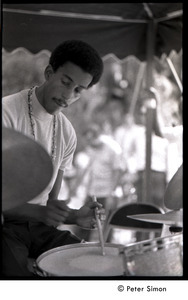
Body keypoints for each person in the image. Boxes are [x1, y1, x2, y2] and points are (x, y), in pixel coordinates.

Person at [2, 40, 105, 277]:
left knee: (95, 265)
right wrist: (40, 214)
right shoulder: (6, 113)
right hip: (5, 228)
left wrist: (74, 216)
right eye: (65, 82)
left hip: (38, 229)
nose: (68, 95)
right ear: (49, 72)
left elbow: (50, 207)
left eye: (78, 90)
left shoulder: (67, 132)